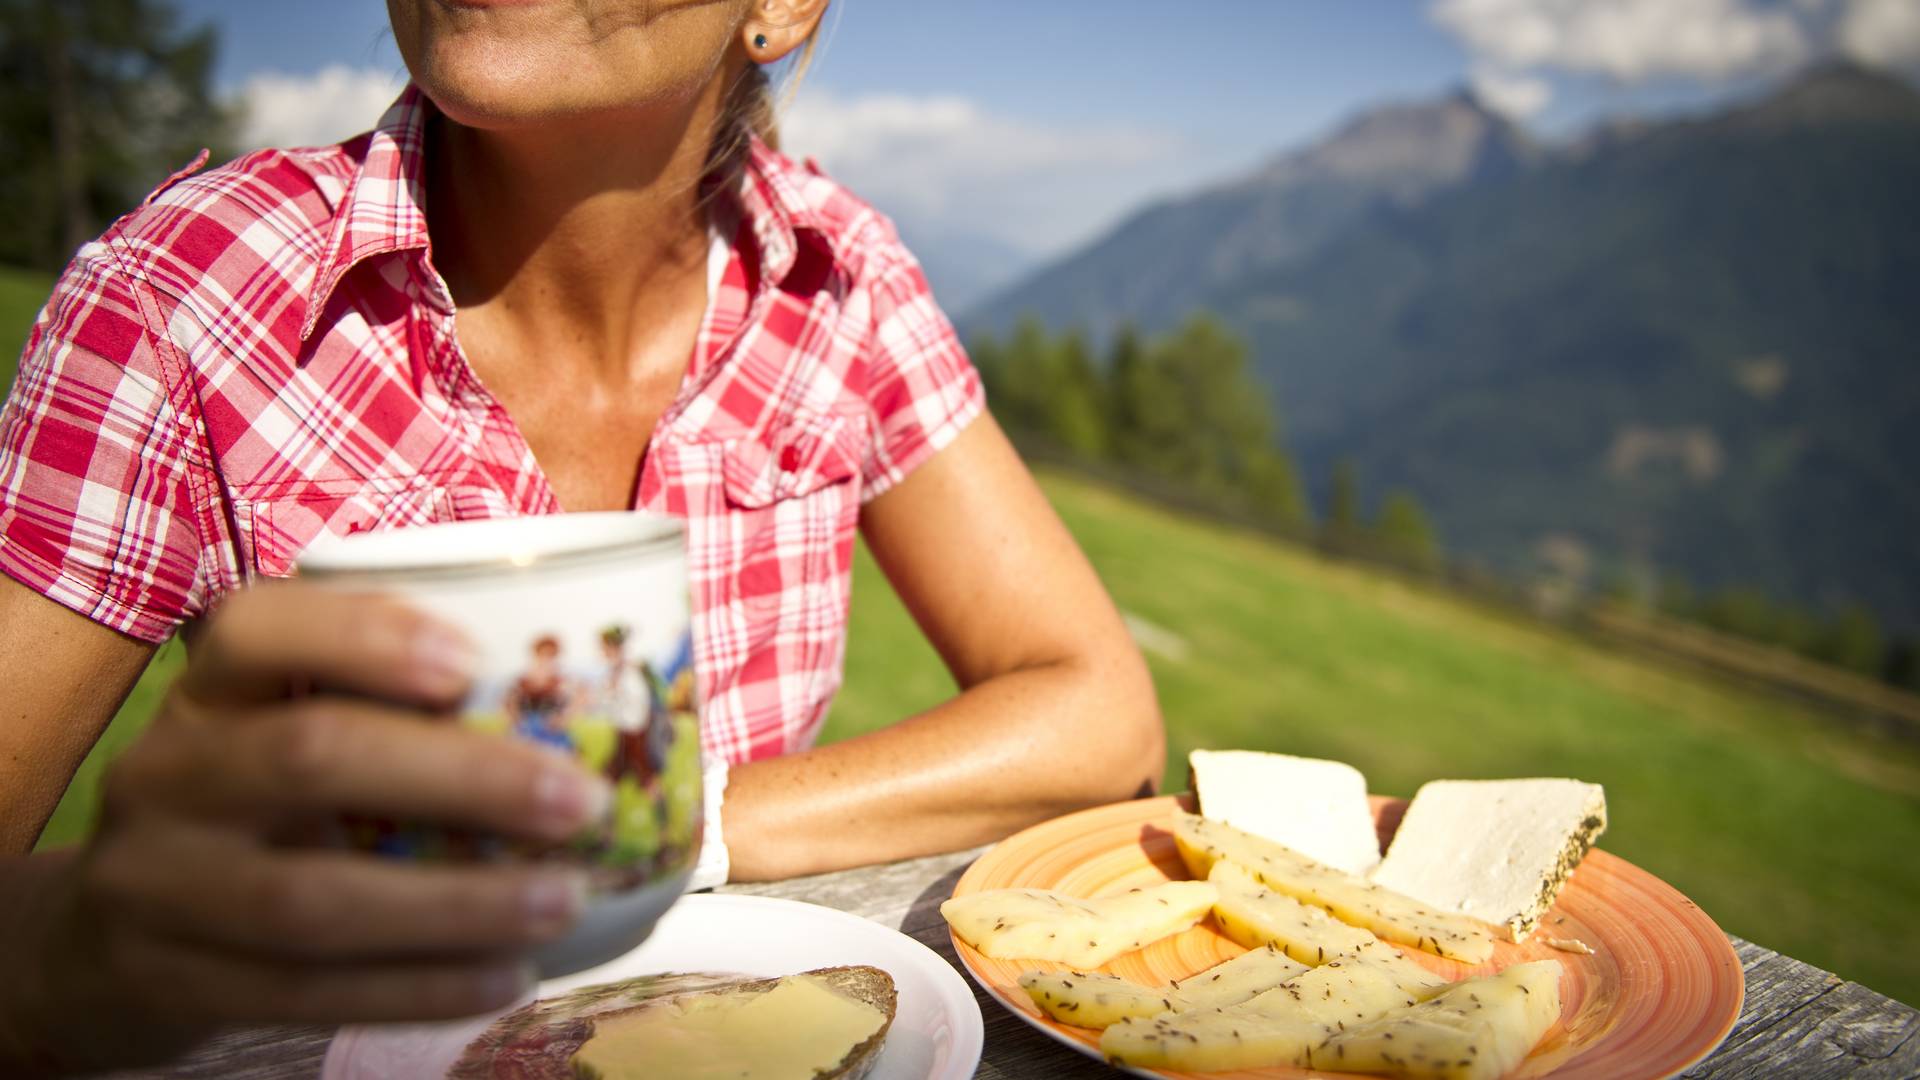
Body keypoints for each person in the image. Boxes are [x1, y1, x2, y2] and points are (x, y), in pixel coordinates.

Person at [0, 0, 1162, 1071]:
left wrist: (658, 824)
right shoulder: (184, 296)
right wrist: (117, 927)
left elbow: (1097, 713)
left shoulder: (835, 279)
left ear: (781, 7)